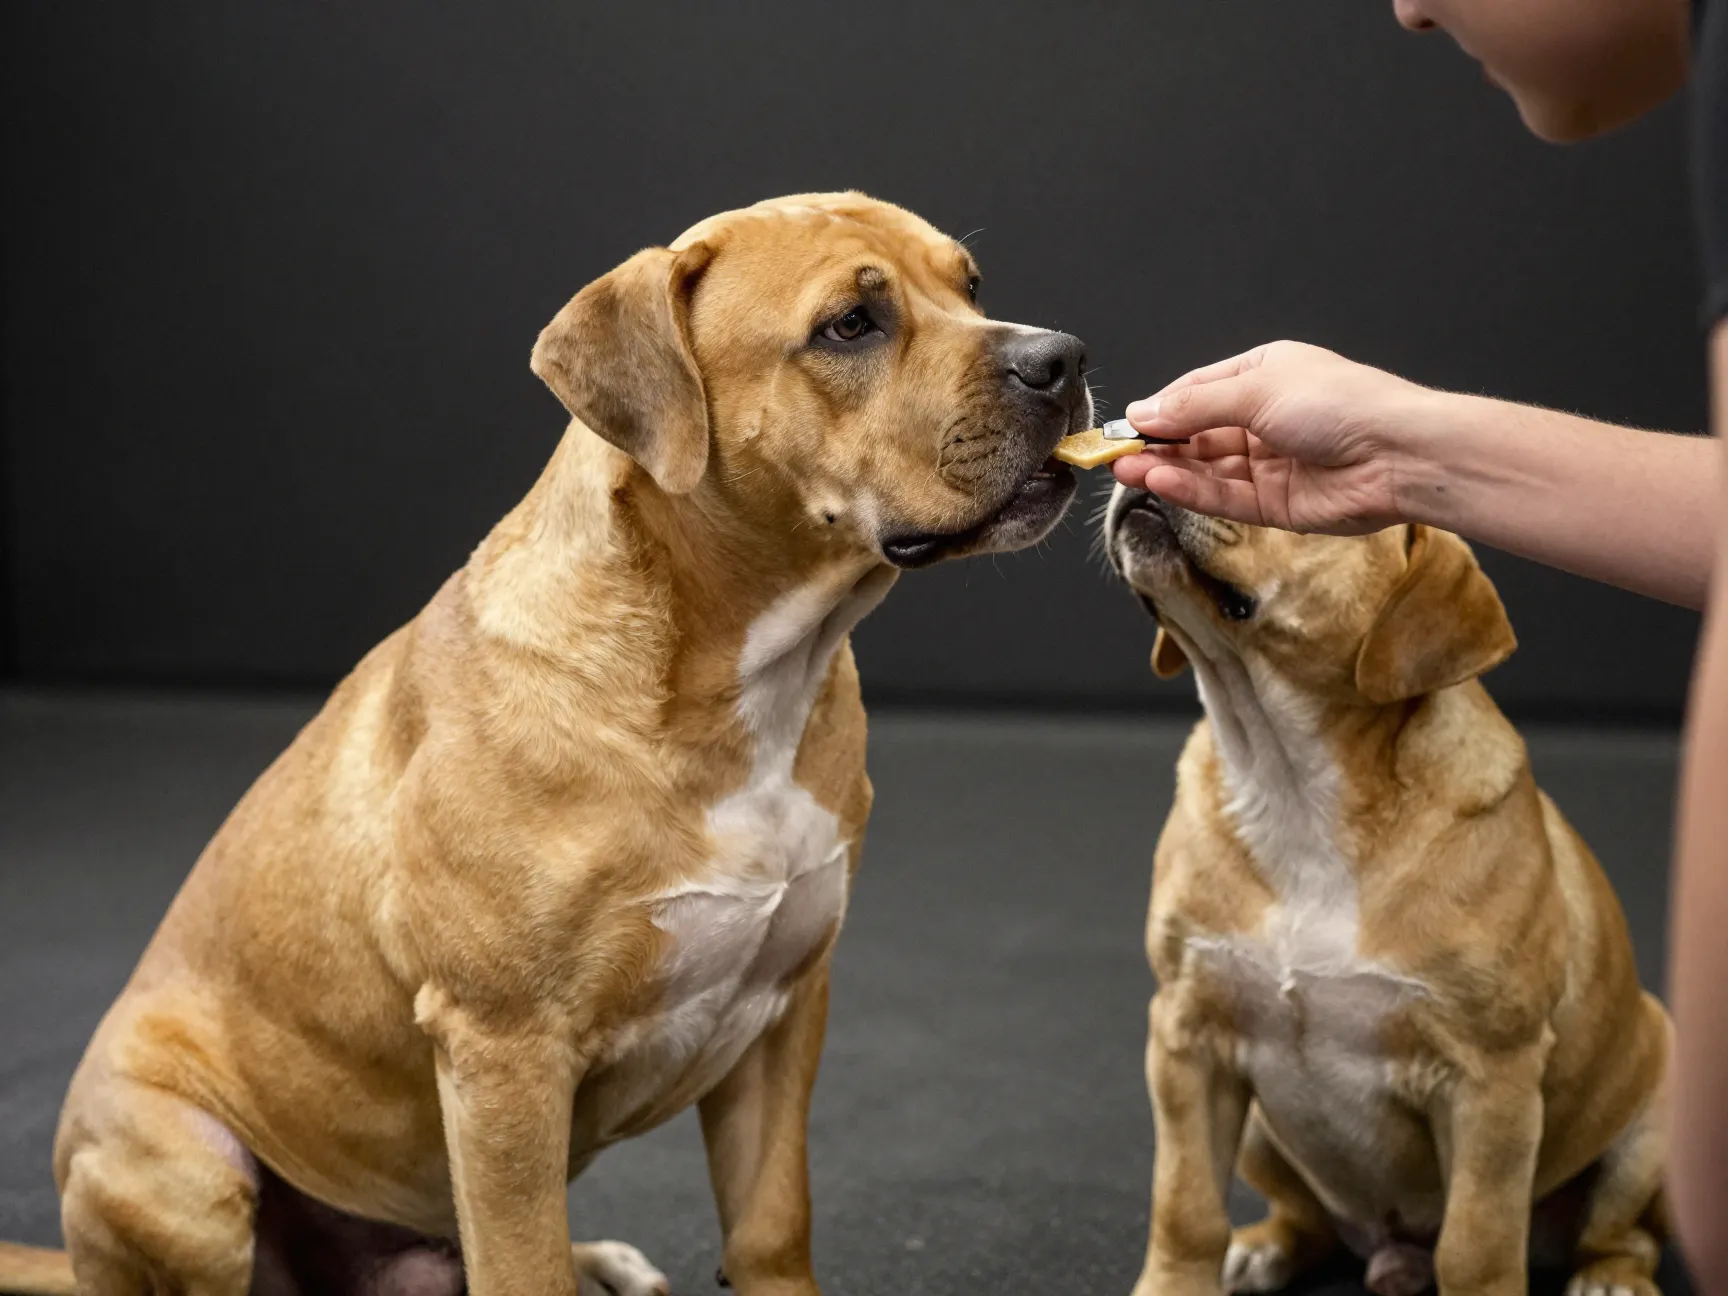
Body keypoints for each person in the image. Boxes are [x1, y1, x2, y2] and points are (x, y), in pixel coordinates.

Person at [1110, 0, 1725, 1280]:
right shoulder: (1199, 811)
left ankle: (1597, 1244)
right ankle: (1302, 1220)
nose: (1405, 7)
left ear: (1413, 631)